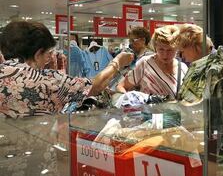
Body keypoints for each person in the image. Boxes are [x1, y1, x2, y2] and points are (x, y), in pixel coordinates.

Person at [0, 21, 133, 118]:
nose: (47, 60)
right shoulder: (46, 79)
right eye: (46, 55)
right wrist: (118, 62)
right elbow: (95, 86)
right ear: (37, 54)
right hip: (37, 149)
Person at [117, 25, 188, 97]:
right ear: (155, 47)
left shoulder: (183, 67)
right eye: (161, 49)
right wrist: (129, 101)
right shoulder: (145, 63)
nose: (165, 54)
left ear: (177, 49)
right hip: (148, 108)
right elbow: (122, 86)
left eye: (170, 50)